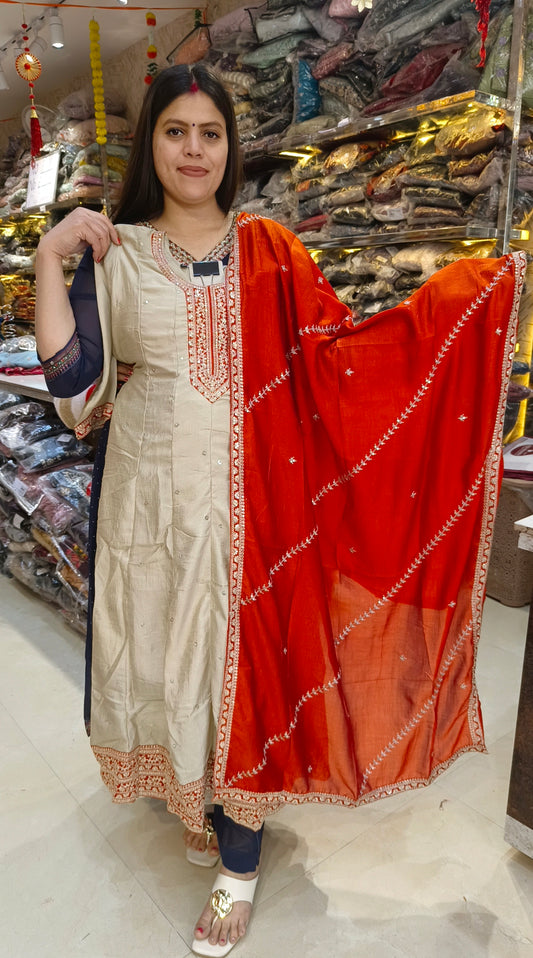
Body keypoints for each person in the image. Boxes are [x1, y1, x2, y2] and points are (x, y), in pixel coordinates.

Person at [35, 63, 526, 956]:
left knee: (250, 668)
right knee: (173, 666)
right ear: (153, 143)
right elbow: (71, 384)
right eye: (177, 132)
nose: (194, 150)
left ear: (231, 147)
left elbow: (345, 355)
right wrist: (48, 256)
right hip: (153, 510)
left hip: (259, 507)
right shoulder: (121, 252)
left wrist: (471, 297)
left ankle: (239, 863)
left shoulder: (272, 248)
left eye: (211, 134)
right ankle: (202, 798)